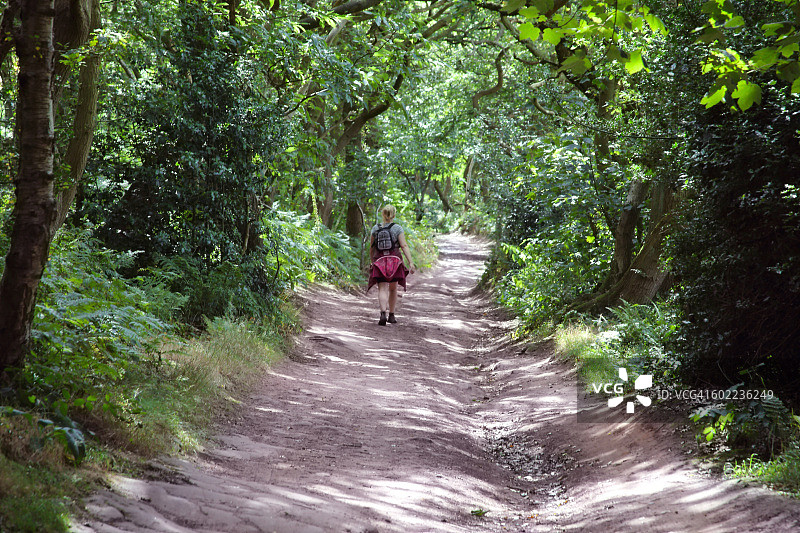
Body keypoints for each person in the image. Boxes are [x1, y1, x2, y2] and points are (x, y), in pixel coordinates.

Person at [367, 204, 416, 325]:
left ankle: (382, 313)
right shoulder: (397, 228)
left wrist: (372, 262)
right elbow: (404, 246)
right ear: (394, 215)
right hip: (394, 261)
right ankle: (392, 315)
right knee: (393, 289)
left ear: (383, 214)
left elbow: (372, 248)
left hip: (380, 261)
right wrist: (411, 262)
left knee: (382, 288)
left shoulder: (375, 229)